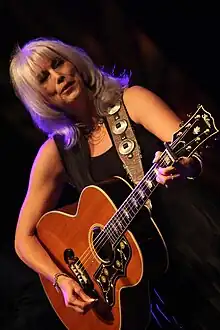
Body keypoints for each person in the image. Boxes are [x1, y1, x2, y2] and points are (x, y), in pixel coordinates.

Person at [9, 37, 220, 330]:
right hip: (147, 281)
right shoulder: (55, 153)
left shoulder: (132, 100)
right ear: (39, 98)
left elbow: (190, 156)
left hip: (194, 242)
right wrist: (61, 280)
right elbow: (23, 239)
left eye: (58, 64)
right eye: (44, 78)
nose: (58, 77)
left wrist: (180, 166)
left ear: (74, 62)